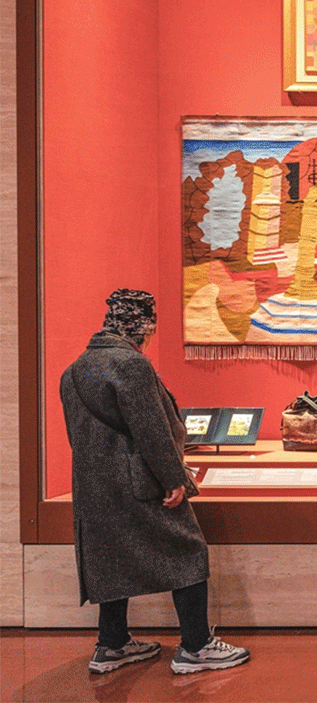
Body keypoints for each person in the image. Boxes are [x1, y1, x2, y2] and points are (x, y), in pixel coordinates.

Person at [59, 289, 250, 675]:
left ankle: (111, 644)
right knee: (188, 551)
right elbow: (152, 430)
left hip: (95, 486)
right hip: (139, 483)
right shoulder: (131, 365)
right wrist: (173, 478)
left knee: (112, 559)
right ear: (143, 326)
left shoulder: (75, 369)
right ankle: (196, 645)